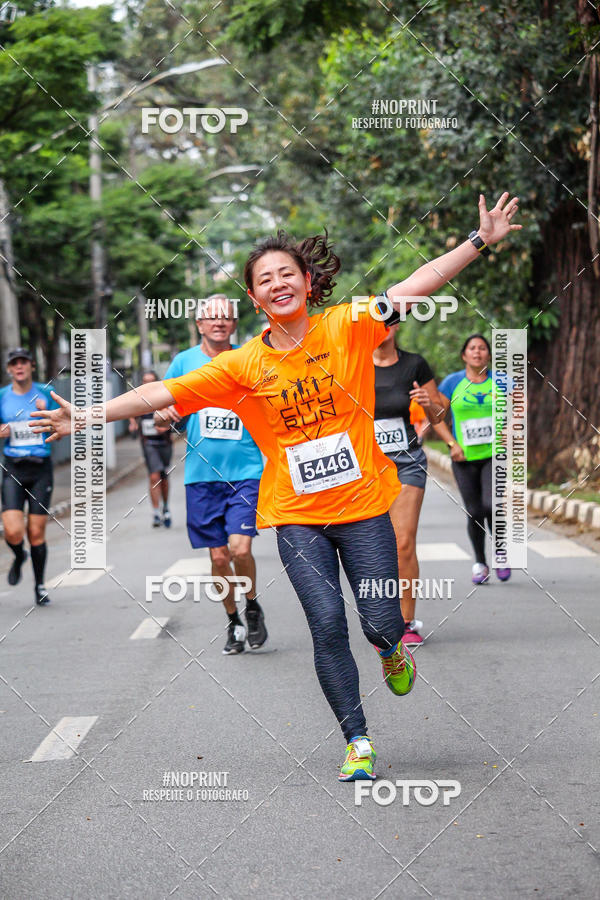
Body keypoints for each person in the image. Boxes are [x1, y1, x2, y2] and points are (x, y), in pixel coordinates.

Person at [32, 192, 521, 780]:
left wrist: (477, 241)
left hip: (364, 506)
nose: (277, 284)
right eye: (264, 279)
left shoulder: (348, 326)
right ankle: (357, 741)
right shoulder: (243, 365)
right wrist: (87, 416)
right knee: (325, 624)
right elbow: (161, 395)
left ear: (307, 282)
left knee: (378, 623)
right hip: (294, 515)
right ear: (255, 298)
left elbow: (415, 285)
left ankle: (391, 647)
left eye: (286, 273)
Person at [156, 295, 268, 655]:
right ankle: (233, 620)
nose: (219, 322)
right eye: (211, 317)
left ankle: (252, 604)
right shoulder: (183, 362)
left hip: (246, 470)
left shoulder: (250, 356)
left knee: (240, 548)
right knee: (219, 557)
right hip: (201, 475)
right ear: (200, 324)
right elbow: (159, 409)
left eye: (226, 317)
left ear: (234, 324)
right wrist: (166, 415)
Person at [373, 325, 447, 645]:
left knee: (403, 541)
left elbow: (440, 413)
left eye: (388, 320)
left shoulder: (414, 364)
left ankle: (405, 622)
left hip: (406, 461)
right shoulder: (354, 363)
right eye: (376, 320)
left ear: (397, 325)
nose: (382, 327)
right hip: (365, 465)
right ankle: (380, 615)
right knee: (376, 547)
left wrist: (426, 402)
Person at [435, 334, 512, 584]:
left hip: (493, 455)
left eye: (482, 348)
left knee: (492, 505)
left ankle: (500, 552)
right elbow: (437, 417)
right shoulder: (451, 383)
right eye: (472, 348)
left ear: (488, 355)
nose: (477, 352)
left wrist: (509, 431)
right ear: (464, 355)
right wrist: (451, 443)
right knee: (474, 511)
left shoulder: (501, 382)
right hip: (464, 457)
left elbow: (519, 410)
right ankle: (480, 562)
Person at [1, 348, 58, 605]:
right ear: (9, 369)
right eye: (15, 363)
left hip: (40, 469)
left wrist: (49, 415)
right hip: (13, 468)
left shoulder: (45, 393)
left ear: (31, 366)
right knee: (13, 531)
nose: (19, 367)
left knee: (36, 532)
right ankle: (19, 554)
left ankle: (39, 585)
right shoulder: (2, 397)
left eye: (24, 362)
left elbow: (63, 422)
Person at [129, 371, 173, 528]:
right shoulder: (139, 397)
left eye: (151, 381)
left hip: (164, 442)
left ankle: (166, 508)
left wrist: (166, 427)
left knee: (163, 476)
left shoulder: (164, 396)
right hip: (148, 442)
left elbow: (174, 414)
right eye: (144, 381)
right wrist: (133, 423)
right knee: (154, 476)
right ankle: (155, 512)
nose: (147, 384)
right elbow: (130, 410)